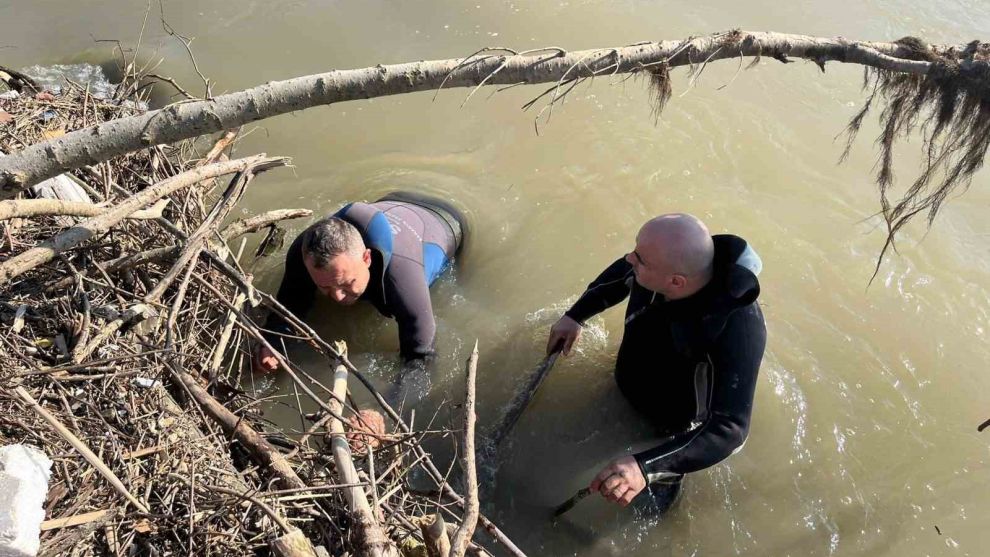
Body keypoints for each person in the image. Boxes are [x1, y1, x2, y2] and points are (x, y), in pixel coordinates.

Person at [546, 213, 766, 514]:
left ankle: (664, 478)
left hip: (670, 427)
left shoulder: (738, 329)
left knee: (642, 516)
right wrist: (576, 315)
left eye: (640, 259)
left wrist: (645, 466)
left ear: (675, 281)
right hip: (629, 380)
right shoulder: (657, 267)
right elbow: (622, 272)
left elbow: (730, 429)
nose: (629, 258)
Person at [256, 191, 466, 377]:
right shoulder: (304, 253)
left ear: (367, 259)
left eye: (346, 283)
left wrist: (380, 410)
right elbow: (288, 307)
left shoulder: (401, 277)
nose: (337, 297)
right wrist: (272, 344)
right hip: (393, 199)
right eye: (325, 287)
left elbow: (421, 362)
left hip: (446, 220)